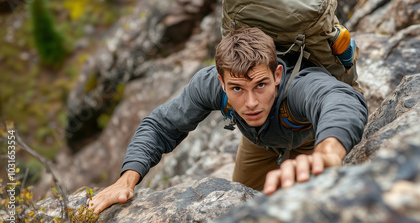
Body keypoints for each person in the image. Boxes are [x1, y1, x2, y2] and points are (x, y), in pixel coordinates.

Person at [88, 27, 368, 213]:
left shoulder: (300, 85)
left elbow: (339, 100)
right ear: (221, 83)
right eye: (237, 89)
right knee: (245, 211)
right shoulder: (208, 84)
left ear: (278, 75)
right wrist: (127, 179)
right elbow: (161, 125)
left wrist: (328, 152)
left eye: (261, 85)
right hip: (259, 144)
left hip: (310, 142)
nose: (250, 103)